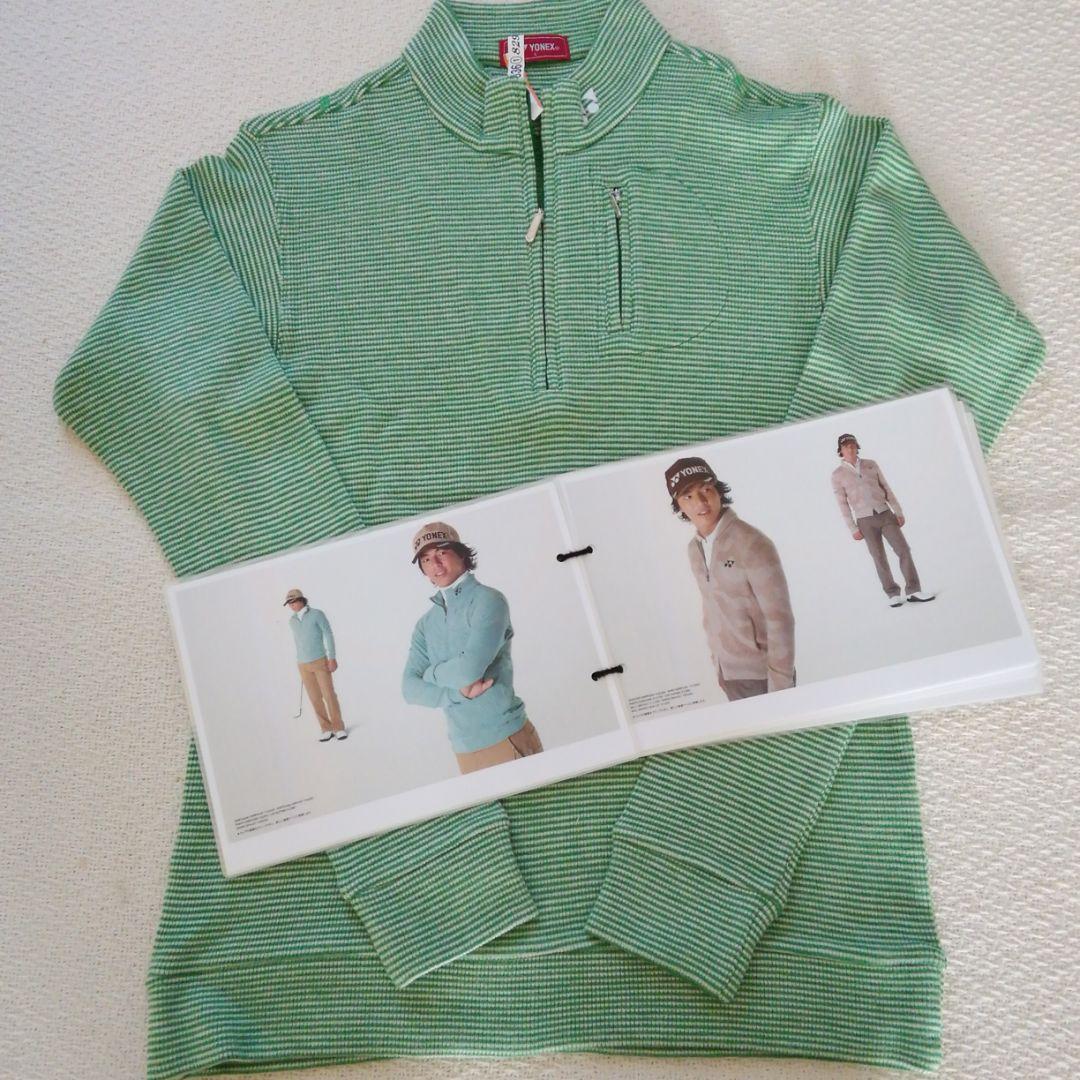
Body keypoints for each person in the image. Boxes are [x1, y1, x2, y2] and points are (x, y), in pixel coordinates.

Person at [401, 521, 543, 774]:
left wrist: (430, 673)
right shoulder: (425, 625)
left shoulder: (488, 600)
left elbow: (469, 671)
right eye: (426, 559)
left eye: (442, 553)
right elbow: (409, 689)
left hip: (507, 737)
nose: (435, 564)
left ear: (462, 555)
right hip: (463, 749)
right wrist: (458, 694)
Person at [666, 457, 796, 701]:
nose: (700, 502)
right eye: (688, 496)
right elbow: (710, 608)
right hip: (727, 675)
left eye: (706, 490)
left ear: (718, 491)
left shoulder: (752, 543)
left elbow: (780, 619)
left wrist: (780, 686)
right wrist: (716, 663)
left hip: (763, 676)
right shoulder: (694, 550)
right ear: (679, 506)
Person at [830, 434, 936, 607]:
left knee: (903, 550)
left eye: (853, 445)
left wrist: (898, 511)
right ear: (840, 450)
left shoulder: (870, 464)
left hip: (885, 514)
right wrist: (852, 528)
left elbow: (886, 487)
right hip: (864, 521)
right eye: (846, 446)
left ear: (857, 446)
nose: (850, 449)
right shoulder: (837, 475)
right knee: (878, 557)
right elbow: (842, 504)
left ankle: (913, 591)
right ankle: (892, 593)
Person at [284, 587, 347, 742]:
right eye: (289, 603)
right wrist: (300, 661)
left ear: (301, 600)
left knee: (328, 695)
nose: (291, 605)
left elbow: (328, 634)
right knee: (314, 698)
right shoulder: (292, 621)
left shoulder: (317, 614)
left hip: (320, 661)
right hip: (303, 665)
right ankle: (326, 728)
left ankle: (338, 727)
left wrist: (332, 657)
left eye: (293, 601)